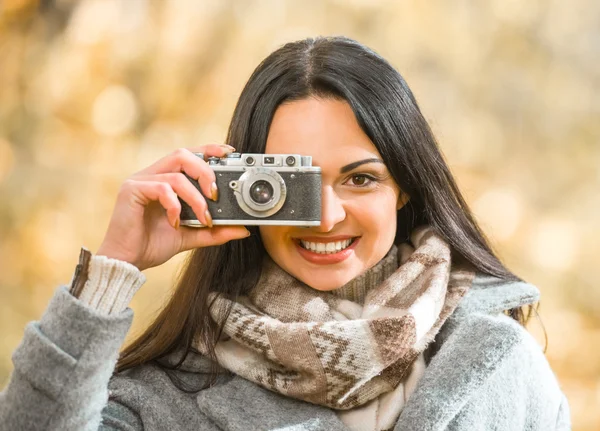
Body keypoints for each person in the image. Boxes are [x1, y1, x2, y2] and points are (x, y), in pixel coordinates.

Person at [0, 36, 570, 431]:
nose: (324, 217)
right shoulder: (171, 398)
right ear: (243, 186)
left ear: (404, 188)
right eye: (289, 186)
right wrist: (113, 268)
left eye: (360, 179)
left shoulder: (501, 365)